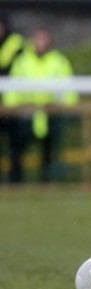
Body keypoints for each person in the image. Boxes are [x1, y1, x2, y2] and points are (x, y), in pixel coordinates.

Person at [2, 27, 79, 183]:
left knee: (48, 152)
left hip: (50, 113)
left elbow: (67, 87)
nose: (40, 43)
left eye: (44, 39)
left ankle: (47, 182)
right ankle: (15, 183)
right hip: (25, 114)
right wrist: (11, 109)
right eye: (38, 39)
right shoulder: (22, 60)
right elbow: (13, 88)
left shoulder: (58, 60)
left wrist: (70, 106)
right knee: (17, 150)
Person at [0, 13, 26, 183]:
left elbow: (15, 69)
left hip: (13, 103)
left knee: (15, 146)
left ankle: (15, 180)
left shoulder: (15, 42)